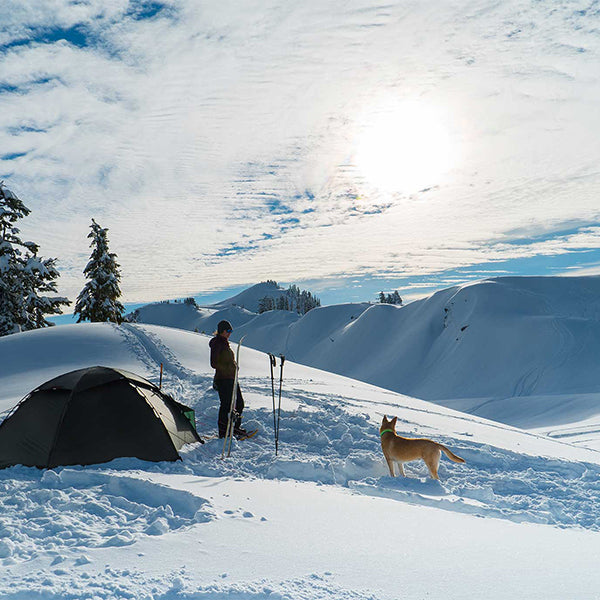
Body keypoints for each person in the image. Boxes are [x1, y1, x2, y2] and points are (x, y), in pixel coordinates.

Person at [209, 320, 247, 438]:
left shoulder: (224, 343)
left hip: (231, 378)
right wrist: (229, 366)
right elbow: (214, 363)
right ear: (222, 331)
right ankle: (223, 432)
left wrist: (233, 365)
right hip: (223, 379)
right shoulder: (217, 344)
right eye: (228, 331)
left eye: (231, 331)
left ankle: (234, 428)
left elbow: (226, 360)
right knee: (226, 405)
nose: (230, 333)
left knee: (239, 403)